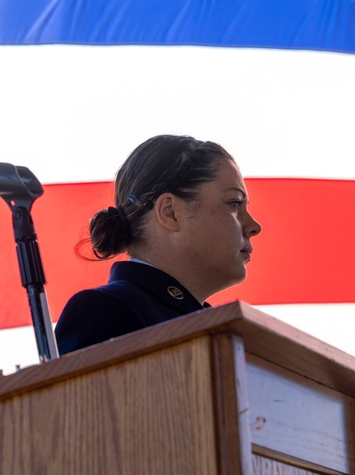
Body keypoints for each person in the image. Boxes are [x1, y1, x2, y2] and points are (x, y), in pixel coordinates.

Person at [55, 134, 261, 355]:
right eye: (234, 204)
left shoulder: (219, 331)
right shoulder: (102, 311)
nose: (254, 226)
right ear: (170, 212)